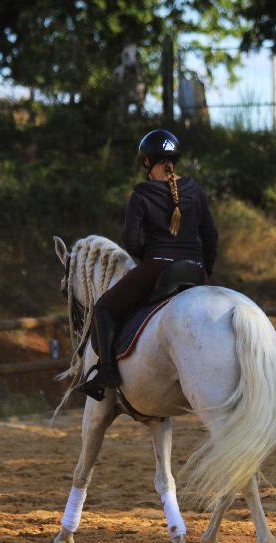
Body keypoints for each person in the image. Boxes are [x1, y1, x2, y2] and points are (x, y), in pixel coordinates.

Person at [76, 129, 219, 401]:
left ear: (145, 161)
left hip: (159, 265)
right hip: (195, 268)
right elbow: (211, 236)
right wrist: (205, 270)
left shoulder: (141, 194)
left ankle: (107, 372)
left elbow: (130, 239)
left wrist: (148, 258)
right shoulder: (195, 189)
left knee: (104, 308)